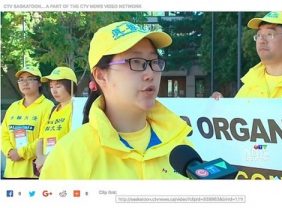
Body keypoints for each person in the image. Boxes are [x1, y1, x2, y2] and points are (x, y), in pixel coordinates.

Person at [40, 21, 192, 179]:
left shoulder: (181, 149)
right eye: (136, 62)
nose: (150, 74)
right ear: (101, 75)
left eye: (154, 62)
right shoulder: (70, 154)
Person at [211, 12, 282, 100]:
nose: (261, 40)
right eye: (259, 35)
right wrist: (219, 110)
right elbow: (235, 113)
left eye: (269, 34)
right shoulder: (250, 85)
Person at [1, 66, 54, 178]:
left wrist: (20, 153)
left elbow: (45, 138)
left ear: (39, 83)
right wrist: (9, 151)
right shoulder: (13, 107)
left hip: (34, 173)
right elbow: (3, 134)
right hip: (11, 173)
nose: (25, 83)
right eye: (21, 79)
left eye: (30, 79)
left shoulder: (48, 107)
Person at [34, 67, 78, 174]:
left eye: (58, 86)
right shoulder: (53, 110)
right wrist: (40, 158)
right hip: (47, 168)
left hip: (65, 169)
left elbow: (73, 142)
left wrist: (47, 158)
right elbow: (41, 139)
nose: (54, 90)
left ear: (70, 86)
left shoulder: (77, 109)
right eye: (51, 86)